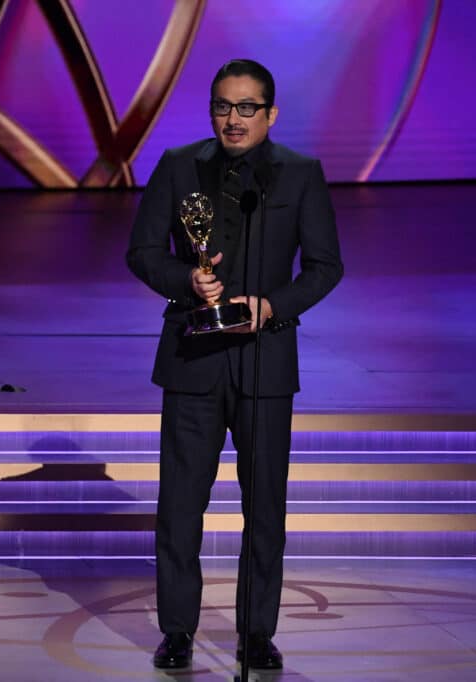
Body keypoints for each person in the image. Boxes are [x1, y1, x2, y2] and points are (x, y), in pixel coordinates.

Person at [126, 58, 343, 671]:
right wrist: (186, 279)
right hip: (193, 358)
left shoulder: (299, 175)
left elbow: (326, 266)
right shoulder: (178, 167)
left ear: (270, 114)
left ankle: (255, 632)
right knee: (179, 507)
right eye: (223, 105)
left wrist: (272, 305)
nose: (234, 118)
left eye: (248, 107)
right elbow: (142, 252)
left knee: (265, 506)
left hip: (265, 364)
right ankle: (177, 631)